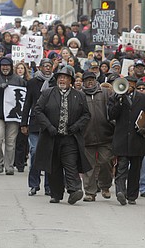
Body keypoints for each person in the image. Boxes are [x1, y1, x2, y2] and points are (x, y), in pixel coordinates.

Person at [33, 66, 91, 204]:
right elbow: (38, 111)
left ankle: (74, 190)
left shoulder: (79, 95)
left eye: (65, 77)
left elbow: (86, 115)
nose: (62, 79)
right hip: (51, 137)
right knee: (54, 166)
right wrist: (48, 126)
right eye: (60, 77)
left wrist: (76, 126)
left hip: (70, 137)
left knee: (71, 164)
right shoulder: (48, 93)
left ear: (70, 80)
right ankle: (56, 194)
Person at [108, 76, 145, 205]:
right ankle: (120, 192)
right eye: (127, 83)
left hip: (137, 139)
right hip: (122, 139)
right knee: (121, 167)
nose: (129, 86)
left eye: (131, 83)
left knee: (135, 169)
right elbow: (111, 115)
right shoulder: (115, 97)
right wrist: (119, 101)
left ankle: (132, 195)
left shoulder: (144, 98)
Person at [0, 57, 26, 175]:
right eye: (3, 65)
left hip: (13, 117)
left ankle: (9, 166)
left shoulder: (18, 80)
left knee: (11, 142)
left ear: (11, 66)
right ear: (0, 66)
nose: (5, 67)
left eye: (7, 65)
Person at [21, 59, 55, 195]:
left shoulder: (55, 82)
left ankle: (48, 185)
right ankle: (34, 184)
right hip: (35, 123)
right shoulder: (32, 83)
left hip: (50, 123)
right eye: (45, 66)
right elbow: (27, 103)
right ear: (40, 67)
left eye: (49, 66)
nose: (47, 68)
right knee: (35, 152)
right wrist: (24, 123)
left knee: (48, 154)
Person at [81, 71, 114, 201]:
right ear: (83, 82)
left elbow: (112, 109)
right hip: (87, 136)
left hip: (105, 135)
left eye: (92, 79)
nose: (90, 82)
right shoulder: (80, 95)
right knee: (89, 166)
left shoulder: (105, 92)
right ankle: (90, 192)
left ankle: (105, 186)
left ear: (96, 80)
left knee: (105, 162)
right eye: (87, 80)